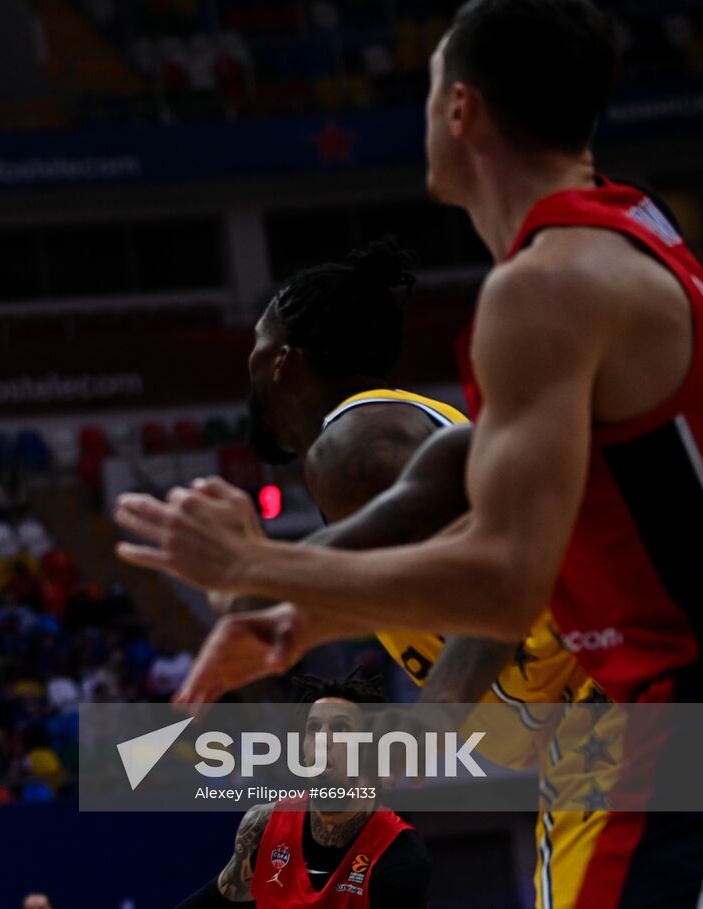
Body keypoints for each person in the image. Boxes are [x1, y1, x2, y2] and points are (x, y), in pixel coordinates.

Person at [115, 1, 703, 904]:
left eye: (430, 82)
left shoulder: (542, 288)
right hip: (628, 727)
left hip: (676, 718)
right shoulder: (627, 228)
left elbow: (503, 580)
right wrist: (291, 595)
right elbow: (461, 485)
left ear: (460, 110)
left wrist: (268, 570)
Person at [188, 238, 611, 909]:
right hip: (584, 730)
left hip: (601, 717)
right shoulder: (389, 434)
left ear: (283, 363)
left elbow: (501, 577)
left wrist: (427, 723)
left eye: (255, 356)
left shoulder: (353, 447)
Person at [177, 673, 430, 908]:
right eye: (314, 728)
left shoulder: (399, 853)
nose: (322, 740)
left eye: (340, 729)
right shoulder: (264, 824)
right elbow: (218, 899)